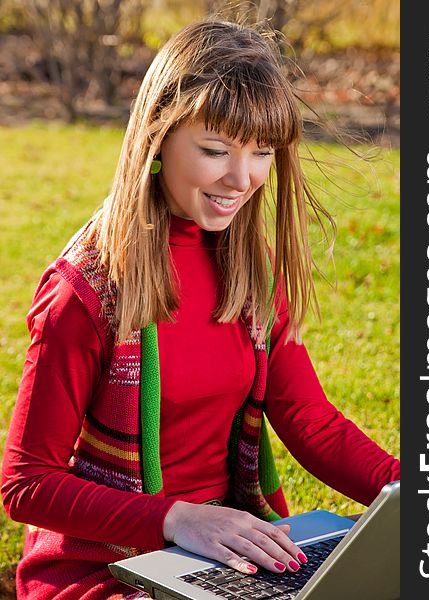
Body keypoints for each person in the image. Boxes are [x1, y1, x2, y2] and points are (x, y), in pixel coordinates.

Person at [1, 18, 400, 600]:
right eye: (215, 150)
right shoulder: (85, 291)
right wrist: (176, 518)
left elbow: (310, 422)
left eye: (262, 153)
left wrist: (424, 500)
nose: (242, 179)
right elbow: (26, 482)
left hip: (232, 549)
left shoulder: (250, 271)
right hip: (106, 565)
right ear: (158, 139)